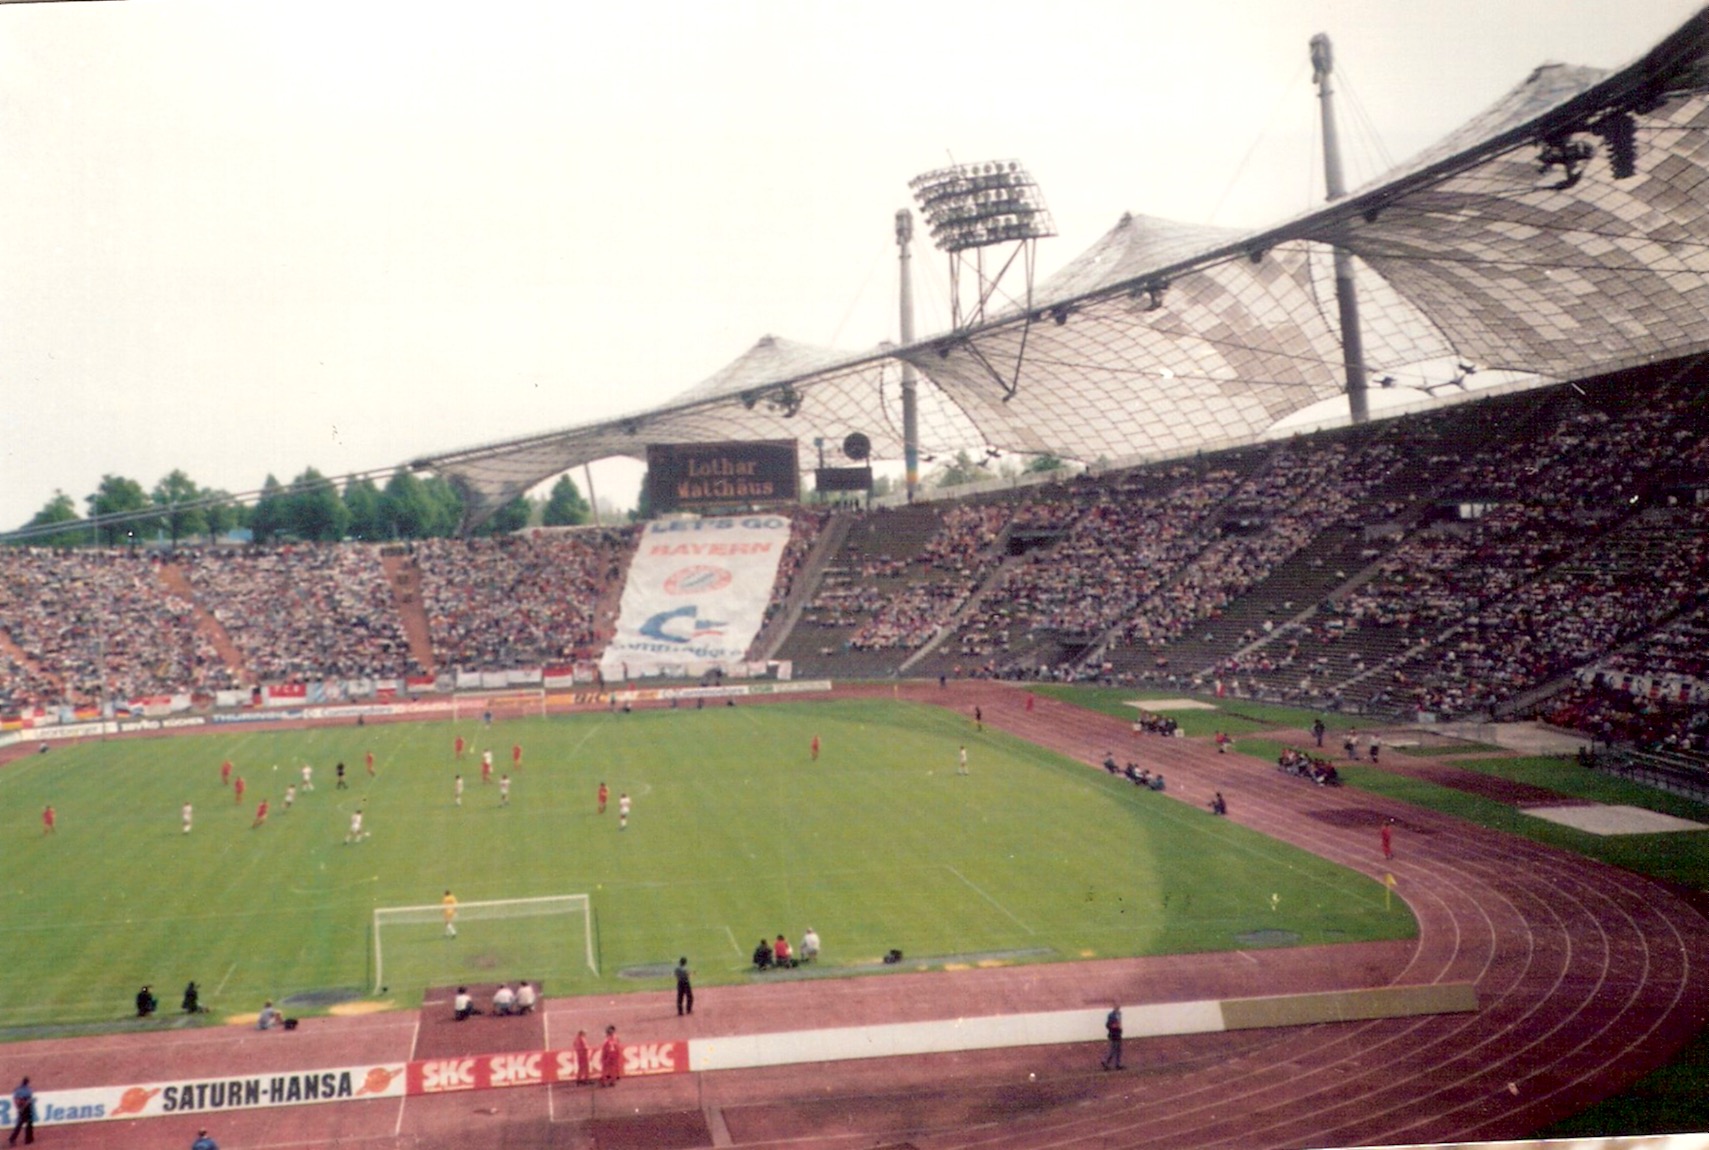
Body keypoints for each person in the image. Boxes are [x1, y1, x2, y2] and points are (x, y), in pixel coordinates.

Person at [9, 1076, 34, 1146]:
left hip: (19, 1106)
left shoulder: (17, 1089)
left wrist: (18, 1108)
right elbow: (28, 1100)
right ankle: (28, 1139)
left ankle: (12, 1138)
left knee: (20, 1123)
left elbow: (15, 1099)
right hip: (26, 1108)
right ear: (27, 1083)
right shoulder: (28, 1090)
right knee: (29, 1123)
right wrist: (24, 1107)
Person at [1101, 1004, 1124, 1070]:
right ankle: (1105, 1061)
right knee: (1113, 1049)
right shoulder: (1111, 1015)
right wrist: (1114, 1026)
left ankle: (1117, 1064)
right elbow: (1108, 1025)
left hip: (1118, 1033)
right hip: (1114, 1033)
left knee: (1118, 1049)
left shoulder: (1119, 1014)